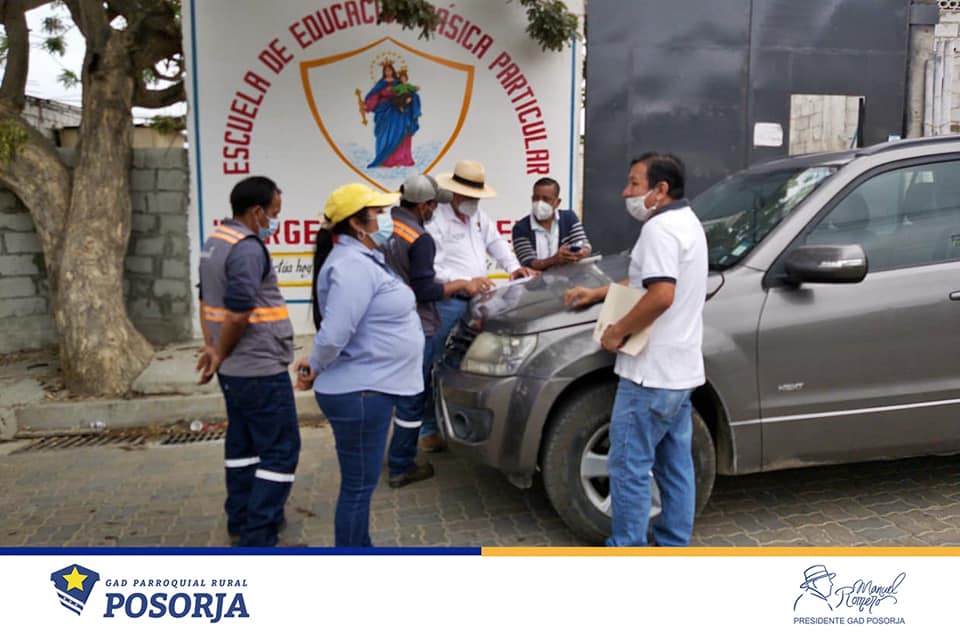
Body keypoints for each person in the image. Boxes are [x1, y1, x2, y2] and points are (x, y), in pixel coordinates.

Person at [564, 153, 707, 546]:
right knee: (675, 466)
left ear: (660, 189)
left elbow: (660, 295)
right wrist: (598, 293)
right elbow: (650, 280)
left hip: (649, 374)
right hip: (680, 373)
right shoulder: (688, 222)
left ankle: (627, 550)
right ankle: (673, 544)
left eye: (634, 183)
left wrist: (617, 332)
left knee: (628, 465)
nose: (625, 192)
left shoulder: (659, 230)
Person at [293, 183, 424, 547]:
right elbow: (336, 332)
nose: (386, 220)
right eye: (378, 213)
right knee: (357, 488)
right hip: (362, 393)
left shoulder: (362, 259)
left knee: (359, 486)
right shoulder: (351, 265)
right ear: (356, 222)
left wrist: (316, 361)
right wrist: (316, 364)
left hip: (367, 387)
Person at [195, 176, 300, 548]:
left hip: (234, 370)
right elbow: (239, 312)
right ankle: (259, 536)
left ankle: (240, 520)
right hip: (259, 367)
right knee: (281, 451)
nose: (274, 221)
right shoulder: (248, 248)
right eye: (274, 213)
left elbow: (206, 301)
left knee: (243, 446)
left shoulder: (215, 241)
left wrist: (213, 349)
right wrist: (219, 351)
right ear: (257, 212)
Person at [420, 159, 539, 451]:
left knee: (461, 365)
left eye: (476, 197)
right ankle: (427, 429)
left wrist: (514, 267)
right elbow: (432, 268)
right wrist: (463, 281)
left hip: (476, 302)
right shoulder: (436, 221)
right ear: (454, 193)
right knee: (431, 364)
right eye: (468, 196)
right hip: (447, 303)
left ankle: (452, 421)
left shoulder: (477, 216)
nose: (473, 202)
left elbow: (495, 242)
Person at [381, 174, 488, 487]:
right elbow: (425, 290)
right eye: (431, 206)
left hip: (389, 321)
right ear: (423, 205)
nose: (433, 211)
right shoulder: (420, 237)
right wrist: (462, 284)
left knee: (395, 390)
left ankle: (390, 454)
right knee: (413, 394)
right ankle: (401, 464)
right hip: (415, 323)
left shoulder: (386, 227)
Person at [511, 177, 592, 270]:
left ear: (557, 202)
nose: (539, 203)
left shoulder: (569, 218)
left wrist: (581, 252)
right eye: (536, 198)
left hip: (569, 277)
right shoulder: (520, 228)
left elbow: (585, 245)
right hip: (537, 279)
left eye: (546, 199)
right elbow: (528, 263)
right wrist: (555, 260)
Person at [364, 61, 420, 168]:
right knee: (384, 134)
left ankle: (400, 159)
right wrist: (369, 105)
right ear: (384, 72)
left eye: (389, 70)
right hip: (384, 111)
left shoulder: (398, 82)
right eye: (386, 70)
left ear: (392, 71)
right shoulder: (381, 84)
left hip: (398, 111)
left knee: (400, 132)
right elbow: (374, 95)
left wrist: (410, 98)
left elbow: (408, 92)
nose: (388, 72)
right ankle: (384, 160)